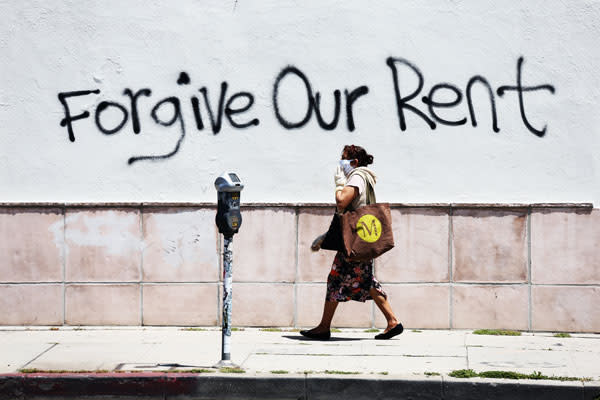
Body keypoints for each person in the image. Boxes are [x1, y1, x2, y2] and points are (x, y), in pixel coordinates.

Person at [300, 144, 403, 340]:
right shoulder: (365, 176)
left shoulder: (357, 176)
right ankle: (392, 321)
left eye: (343, 158)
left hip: (355, 242)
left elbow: (342, 201)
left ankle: (324, 327)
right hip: (358, 239)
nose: (341, 163)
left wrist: (339, 183)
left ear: (354, 162)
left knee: (338, 280)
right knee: (364, 281)